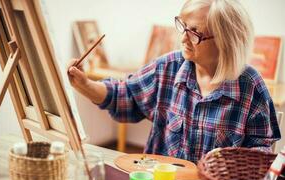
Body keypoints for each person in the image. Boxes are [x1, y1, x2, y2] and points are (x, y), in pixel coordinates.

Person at [67, 0, 281, 163]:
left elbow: (260, 155)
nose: (183, 39)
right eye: (183, 26)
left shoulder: (251, 86)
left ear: (227, 41)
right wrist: (85, 85)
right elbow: (125, 97)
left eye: (195, 33)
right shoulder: (167, 67)